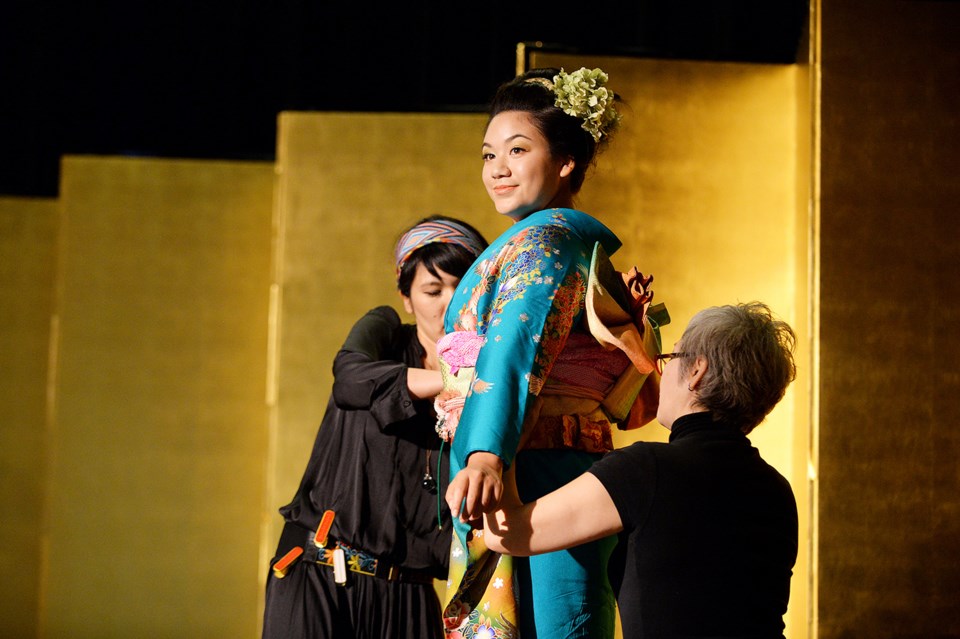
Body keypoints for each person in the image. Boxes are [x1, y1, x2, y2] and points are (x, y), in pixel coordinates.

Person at [435, 67, 664, 639]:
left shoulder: (545, 239)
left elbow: (516, 345)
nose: (498, 169)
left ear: (565, 161)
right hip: (545, 456)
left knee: (562, 620)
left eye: (518, 149)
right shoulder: (541, 240)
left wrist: (486, 451)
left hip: (536, 462)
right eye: (489, 155)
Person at [483, 302, 800, 639]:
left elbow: (507, 532)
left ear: (697, 371)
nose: (659, 374)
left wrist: (505, 441)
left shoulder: (646, 471)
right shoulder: (778, 490)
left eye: (670, 358)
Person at [261, 215, 488, 639]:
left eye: (463, 287)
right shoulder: (384, 331)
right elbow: (350, 378)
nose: (449, 303)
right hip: (320, 571)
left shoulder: (490, 382)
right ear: (406, 297)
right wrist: (449, 380)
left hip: (411, 595)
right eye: (432, 290)